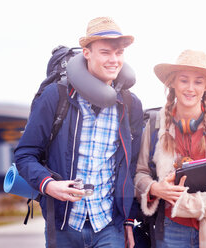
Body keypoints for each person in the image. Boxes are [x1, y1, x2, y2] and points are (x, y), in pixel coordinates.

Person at [14, 17, 143, 248]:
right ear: (87, 52)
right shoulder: (56, 97)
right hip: (64, 226)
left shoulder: (130, 104)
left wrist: (128, 221)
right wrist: (48, 184)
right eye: (105, 52)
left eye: (119, 53)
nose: (114, 60)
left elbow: (131, 168)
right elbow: (25, 154)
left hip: (108, 226)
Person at [134, 50, 206, 247]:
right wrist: (156, 188)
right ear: (173, 83)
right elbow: (139, 174)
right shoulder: (153, 126)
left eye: (198, 81)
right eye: (184, 80)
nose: (190, 88)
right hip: (170, 229)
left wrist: (190, 205)